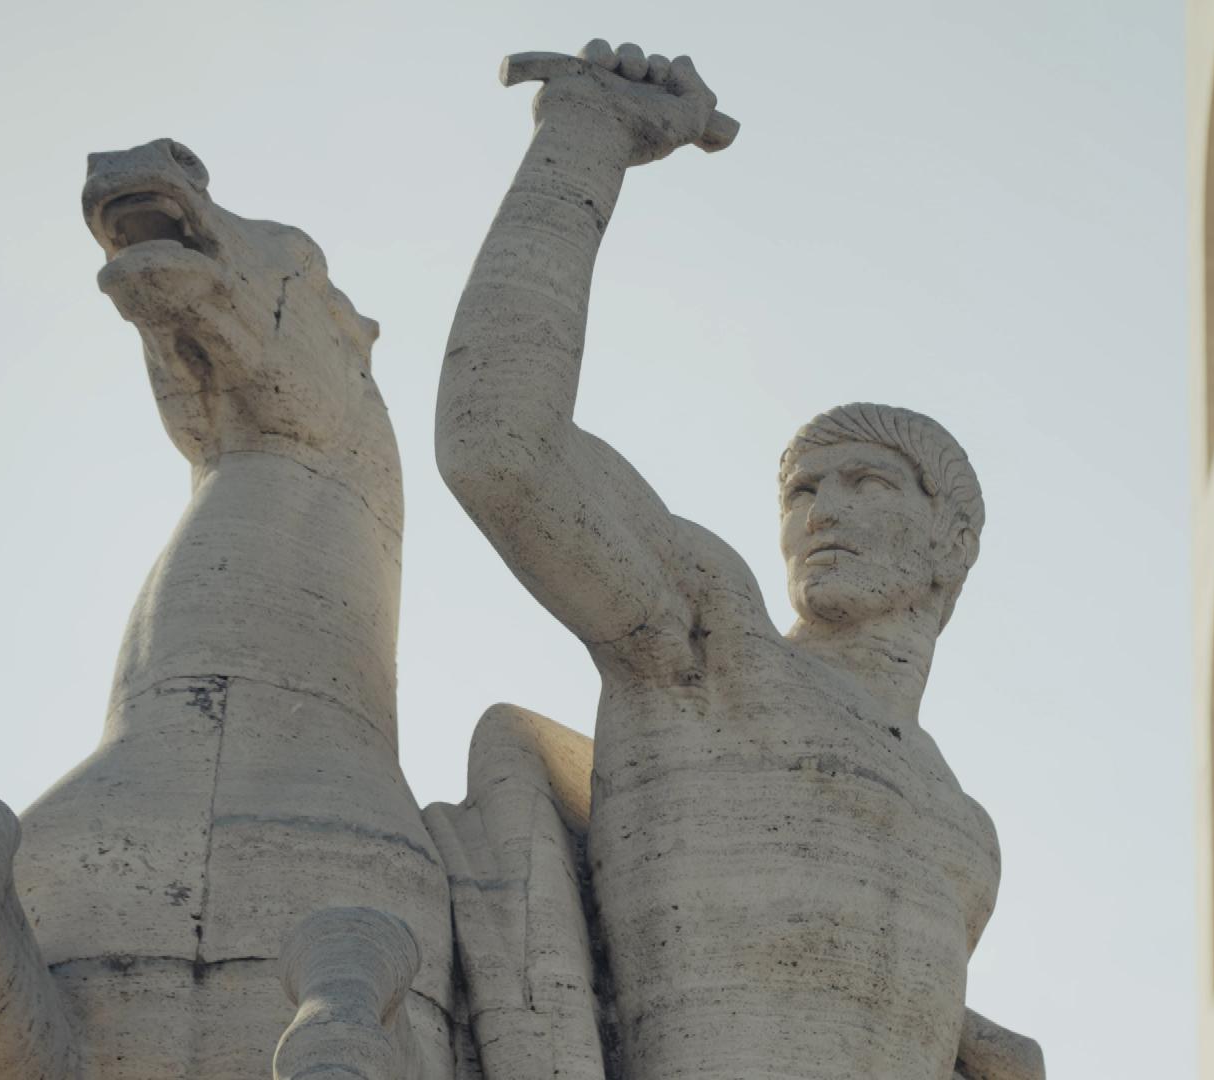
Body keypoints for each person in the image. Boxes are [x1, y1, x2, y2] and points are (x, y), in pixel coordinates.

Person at [436, 39, 1039, 1079]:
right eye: (803, 492)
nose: (823, 511)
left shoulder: (966, 832)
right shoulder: (718, 648)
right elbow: (502, 449)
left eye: (867, 482)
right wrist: (585, 139)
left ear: (952, 541)